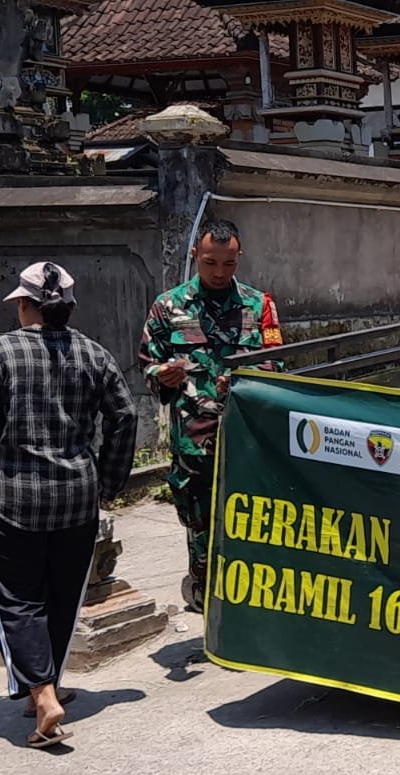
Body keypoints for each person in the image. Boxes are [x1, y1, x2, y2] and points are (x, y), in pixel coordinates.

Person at [0, 262, 138, 749]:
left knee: (16, 598)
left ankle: (42, 696)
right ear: (69, 307)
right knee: (62, 596)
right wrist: (109, 481)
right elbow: (125, 415)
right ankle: (48, 683)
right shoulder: (95, 354)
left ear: (23, 305)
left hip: (15, 501)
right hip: (77, 500)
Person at [138, 219, 283, 612]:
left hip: (247, 437)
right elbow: (148, 362)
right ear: (195, 256)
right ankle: (206, 597)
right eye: (210, 262)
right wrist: (162, 374)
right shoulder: (168, 306)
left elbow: (277, 362)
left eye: (229, 263)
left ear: (240, 258)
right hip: (194, 436)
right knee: (199, 520)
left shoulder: (259, 305)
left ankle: (252, 598)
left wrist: (249, 378)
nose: (219, 272)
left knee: (252, 516)